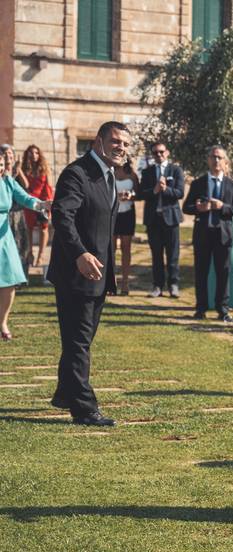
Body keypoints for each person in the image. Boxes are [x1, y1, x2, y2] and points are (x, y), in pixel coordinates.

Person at [47, 121, 129, 427]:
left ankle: (64, 393)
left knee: (79, 339)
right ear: (98, 141)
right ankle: (84, 408)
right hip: (75, 273)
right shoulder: (77, 173)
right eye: (116, 141)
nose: (122, 148)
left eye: (126, 144)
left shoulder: (110, 176)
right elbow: (62, 215)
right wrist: (79, 254)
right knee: (78, 341)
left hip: (99, 275)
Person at [183, 146, 233, 322]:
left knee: (223, 273)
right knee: (201, 272)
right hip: (203, 233)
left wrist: (222, 207)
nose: (216, 160)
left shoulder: (232, 184)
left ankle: (222, 309)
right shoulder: (198, 183)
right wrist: (199, 208)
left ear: (225, 162)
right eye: (213, 157)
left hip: (223, 235)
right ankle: (200, 308)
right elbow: (186, 207)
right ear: (208, 160)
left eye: (220, 158)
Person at [0, 150, 51, 340]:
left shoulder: (8, 182)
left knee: (9, 282)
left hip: (4, 238)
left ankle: (2, 322)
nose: (0, 168)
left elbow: (26, 198)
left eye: (1, 165)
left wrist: (42, 205)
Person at [136, 141, 185, 298]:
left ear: (167, 153)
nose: (158, 155)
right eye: (155, 152)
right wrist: (155, 190)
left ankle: (173, 285)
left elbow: (180, 193)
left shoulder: (175, 170)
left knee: (173, 255)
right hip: (153, 220)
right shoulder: (147, 172)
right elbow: (141, 194)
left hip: (171, 219)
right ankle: (157, 286)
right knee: (156, 255)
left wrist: (166, 189)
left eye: (161, 152)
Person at [20, 145, 54, 267]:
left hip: (43, 201)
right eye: (31, 153)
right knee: (29, 228)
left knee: (43, 228)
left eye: (36, 153)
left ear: (39, 155)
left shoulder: (44, 168)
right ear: (27, 155)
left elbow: (49, 186)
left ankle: (41, 255)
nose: (34, 155)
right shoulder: (24, 168)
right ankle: (30, 253)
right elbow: (24, 186)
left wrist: (49, 203)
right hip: (30, 201)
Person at [0, 145, 30, 276]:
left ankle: (19, 275)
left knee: (20, 245)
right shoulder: (5, 175)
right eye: (5, 153)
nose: (8, 156)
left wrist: (18, 170)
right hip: (7, 215)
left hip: (16, 215)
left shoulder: (15, 172)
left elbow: (25, 188)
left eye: (10, 153)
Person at [111, 158, 140, 295]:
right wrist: (115, 196)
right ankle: (111, 282)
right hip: (112, 214)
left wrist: (130, 195)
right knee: (111, 248)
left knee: (126, 247)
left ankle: (125, 282)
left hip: (128, 214)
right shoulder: (110, 172)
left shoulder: (132, 174)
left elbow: (138, 194)